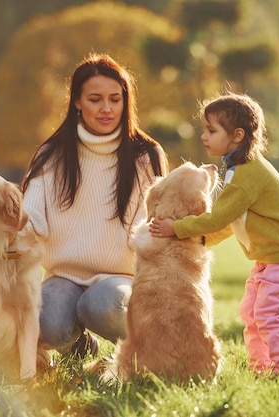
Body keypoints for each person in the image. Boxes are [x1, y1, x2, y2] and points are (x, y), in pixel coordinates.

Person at [149, 92, 279, 377]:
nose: (204, 136)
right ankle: (262, 368)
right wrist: (199, 240)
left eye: (211, 131)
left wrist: (176, 228)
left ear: (237, 135)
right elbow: (232, 221)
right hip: (273, 257)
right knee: (251, 313)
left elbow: (219, 217)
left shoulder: (247, 174)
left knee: (268, 316)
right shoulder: (239, 170)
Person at [21, 53, 168, 359]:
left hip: (122, 278)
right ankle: (80, 345)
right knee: (45, 325)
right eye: (95, 99)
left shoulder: (147, 155)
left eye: (115, 99)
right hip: (63, 275)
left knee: (101, 305)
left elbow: (153, 221)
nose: (106, 108)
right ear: (76, 101)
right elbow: (29, 214)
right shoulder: (51, 154)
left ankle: (141, 352)